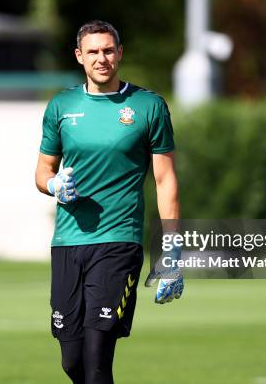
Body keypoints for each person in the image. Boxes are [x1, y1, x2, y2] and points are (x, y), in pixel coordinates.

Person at [35, 20, 184, 384]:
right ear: (79, 56)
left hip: (120, 241)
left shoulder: (148, 106)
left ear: (119, 53)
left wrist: (172, 251)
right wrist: (54, 186)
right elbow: (42, 172)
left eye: (107, 50)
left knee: (97, 356)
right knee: (72, 361)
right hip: (68, 242)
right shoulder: (62, 105)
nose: (101, 58)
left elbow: (165, 181)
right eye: (92, 52)